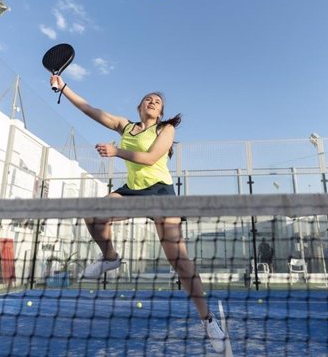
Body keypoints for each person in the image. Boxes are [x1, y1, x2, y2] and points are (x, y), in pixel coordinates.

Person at [50, 74, 225, 353]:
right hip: (132, 191)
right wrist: (64, 87)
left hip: (161, 194)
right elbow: (89, 109)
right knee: (93, 214)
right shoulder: (125, 126)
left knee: (180, 262)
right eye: (148, 99)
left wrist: (116, 151)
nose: (153, 102)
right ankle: (110, 258)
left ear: (161, 112)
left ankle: (208, 321)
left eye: (158, 102)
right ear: (139, 107)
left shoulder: (165, 130)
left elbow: (151, 158)